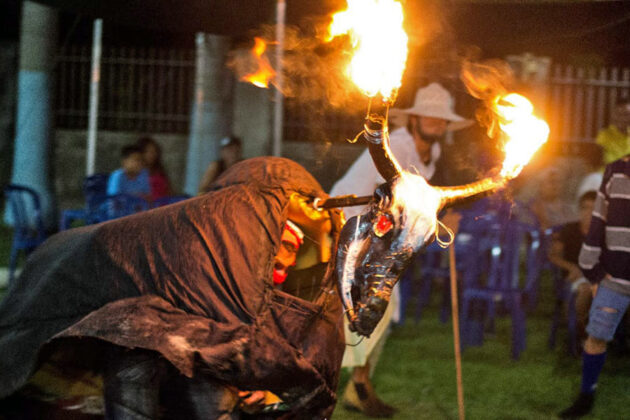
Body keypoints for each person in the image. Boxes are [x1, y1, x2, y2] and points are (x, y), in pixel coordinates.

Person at [0, 157, 346, 418]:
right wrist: (283, 381)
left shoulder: (246, 278)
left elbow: (239, 339)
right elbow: (233, 336)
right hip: (99, 341)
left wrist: (264, 389)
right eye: (281, 249)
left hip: (174, 359)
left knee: (207, 377)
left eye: (291, 256)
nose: (283, 264)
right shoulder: (207, 251)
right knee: (138, 356)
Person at [330, 82, 471, 417]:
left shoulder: (432, 154)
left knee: (386, 310)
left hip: (379, 234)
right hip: (350, 225)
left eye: (442, 119)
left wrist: (445, 214)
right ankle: (349, 384)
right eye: (430, 117)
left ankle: (358, 386)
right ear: (414, 120)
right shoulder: (400, 148)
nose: (437, 124)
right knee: (357, 310)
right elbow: (403, 203)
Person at [559, 154, 630, 418]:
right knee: (597, 336)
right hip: (614, 275)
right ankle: (586, 396)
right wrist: (595, 272)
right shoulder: (616, 172)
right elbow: (598, 221)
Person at [548, 191, 597, 349]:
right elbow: (553, 255)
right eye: (585, 208)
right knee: (584, 289)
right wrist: (571, 267)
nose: (588, 213)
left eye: (593, 209)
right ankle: (580, 332)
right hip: (575, 277)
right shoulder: (569, 230)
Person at [137, 136, 173, 201]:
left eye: (154, 151)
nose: (153, 155)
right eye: (149, 152)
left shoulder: (159, 171)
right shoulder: (137, 172)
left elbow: (169, 191)